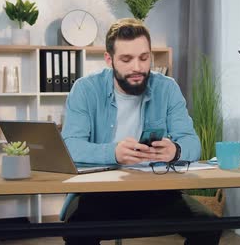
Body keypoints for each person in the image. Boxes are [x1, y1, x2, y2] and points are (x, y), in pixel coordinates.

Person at [61, 18, 221, 245]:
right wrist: (113, 153)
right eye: (126, 59)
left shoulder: (167, 87)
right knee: (77, 232)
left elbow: (192, 143)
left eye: (144, 58)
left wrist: (175, 150)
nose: (137, 67)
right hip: (100, 193)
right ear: (109, 59)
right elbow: (70, 145)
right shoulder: (86, 89)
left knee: (209, 227)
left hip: (156, 191)